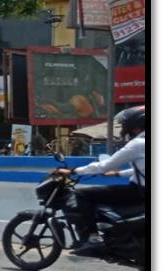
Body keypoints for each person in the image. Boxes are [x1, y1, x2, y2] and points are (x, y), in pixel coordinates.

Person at [56, 105, 145, 257]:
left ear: (135, 126)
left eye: (125, 125)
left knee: (82, 194)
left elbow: (105, 165)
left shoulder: (137, 144)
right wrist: (119, 174)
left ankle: (93, 238)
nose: (124, 129)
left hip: (138, 192)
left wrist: (73, 171)